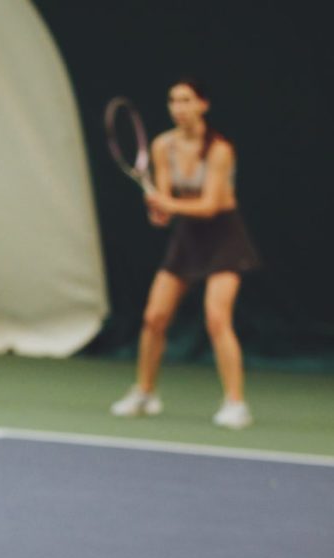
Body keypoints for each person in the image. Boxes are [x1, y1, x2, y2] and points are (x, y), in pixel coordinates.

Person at [111, 78, 260, 428]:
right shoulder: (163, 146)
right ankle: (145, 393)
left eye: (186, 100)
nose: (179, 107)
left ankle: (236, 403)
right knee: (154, 317)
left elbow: (209, 206)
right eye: (173, 101)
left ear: (202, 105)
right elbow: (165, 207)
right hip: (188, 238)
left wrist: (169, 204)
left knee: (217, 318)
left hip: (225, 237)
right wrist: (158, 210)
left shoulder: (220, 149)